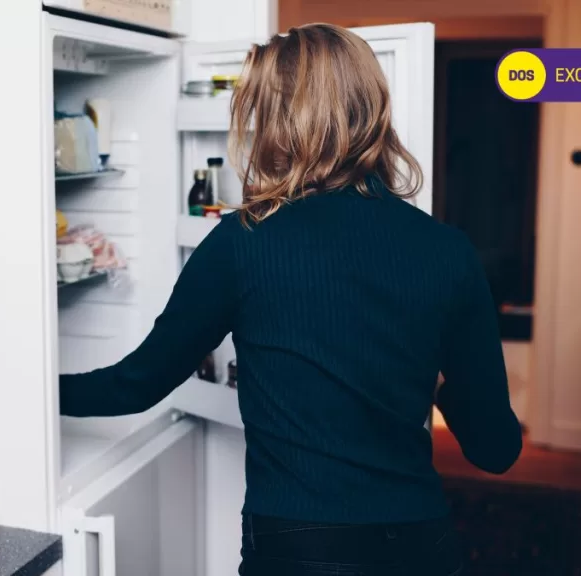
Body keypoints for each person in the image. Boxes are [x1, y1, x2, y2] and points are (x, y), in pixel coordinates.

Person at [60, 23, 522, 576]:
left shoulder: (243, 241)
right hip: (422, 545)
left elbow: (136, 383)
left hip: (300, 550)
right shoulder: (449, 252)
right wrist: (438, 383)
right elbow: (496, 449)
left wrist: (36, 394)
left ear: (281, 123)